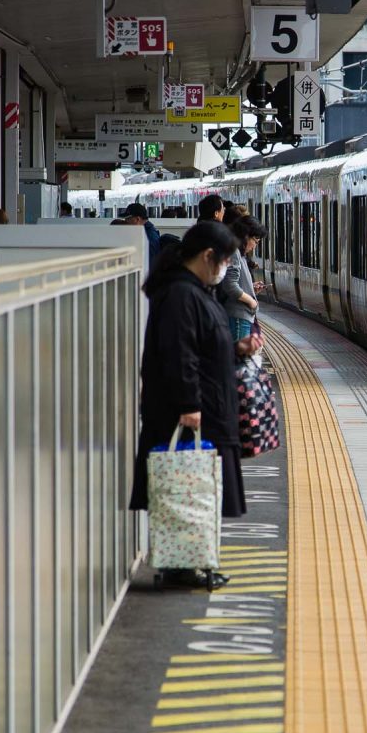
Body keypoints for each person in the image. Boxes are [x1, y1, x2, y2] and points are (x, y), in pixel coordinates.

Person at [131, 222, 262, 589]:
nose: (224, 270)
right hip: (189, 411)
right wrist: (189, 403)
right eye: (222, 261)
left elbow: (200, 348)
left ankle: (190, 563)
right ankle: (183, 566)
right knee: (187, 492)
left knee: (193, 492)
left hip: (203, 405)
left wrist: (236, 350)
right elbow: (179, 354)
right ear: (208, 257)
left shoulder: (191, 290)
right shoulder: (180, 295)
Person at [221, 216, 266, 340]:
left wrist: (251, 287)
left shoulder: (240, 253)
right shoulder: (234, 252)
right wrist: (252, 302)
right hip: (239, 316)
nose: (255, 246)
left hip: (241, 316)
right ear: (246, 235)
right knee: (240, 357)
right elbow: (230, 285)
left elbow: (235, 281)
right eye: (255, 241)